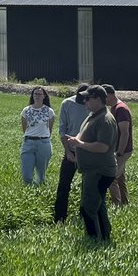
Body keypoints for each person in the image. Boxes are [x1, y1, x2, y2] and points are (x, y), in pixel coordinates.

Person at [64, 85, 117, 241]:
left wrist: (80, 145)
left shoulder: (105, 119)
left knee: (88, 207)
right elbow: (83, 134)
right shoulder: (93, 115)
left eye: (88, 98)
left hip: (99, 171)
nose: (84, 101)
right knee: (98, 205)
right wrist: (76, 140)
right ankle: (104, 237)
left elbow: (102, 147)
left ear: (99, 99)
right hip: (91, 170)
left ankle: (94, 239)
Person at [53, 84, 89, 222]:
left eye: (86, 97)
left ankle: (84, 215)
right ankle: (60, 217)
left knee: (87, 186)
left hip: (87, 152)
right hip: (71, 152)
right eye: (81, 97)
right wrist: (67, 151)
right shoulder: (67, 103)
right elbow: (62, 130)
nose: (83, 100)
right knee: (63, 185)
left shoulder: (93, 105)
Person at [104, 85, 134, 206]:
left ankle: (117, 204)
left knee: (112, 177)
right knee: (120, 178)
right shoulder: (114, 108)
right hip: (118, 149)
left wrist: (120, 152)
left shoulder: (121, 109)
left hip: (122, 149)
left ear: (109, 95)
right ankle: (125, 203)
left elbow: (125, 132)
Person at [20, 86, 55, 185]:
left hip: (44, 143)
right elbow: (24, 128)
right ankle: (28, 192)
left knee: (41, 176)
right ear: (32, 96)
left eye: (40, 94)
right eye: (35, 94)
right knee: (26, 175)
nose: (37, 96)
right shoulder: (26, 110)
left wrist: (43, 136)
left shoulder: (49, 111)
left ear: (44, 96)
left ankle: (37, 193)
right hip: (28, 143)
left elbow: (50, 129)